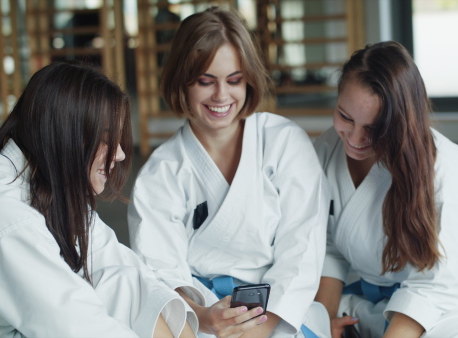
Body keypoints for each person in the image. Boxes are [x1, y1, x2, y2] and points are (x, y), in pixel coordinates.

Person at [128, 7, 330, 338]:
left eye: (234, 80)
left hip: (280, 311)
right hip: (199, 314)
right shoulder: (161, 172)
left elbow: (302, 249)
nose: (221, 96)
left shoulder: (284, 142)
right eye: (206, 82)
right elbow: (158, 274)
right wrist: (204, 318)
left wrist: (263, 328)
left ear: (249, 79)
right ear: (182, 82)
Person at [0, 62, 197, 338]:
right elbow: (77, 326)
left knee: (119, 280)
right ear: (68, 136)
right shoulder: (4, 213)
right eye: (107, 139)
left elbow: (116, 266)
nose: (121, 155)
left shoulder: (47, 178)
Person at [313, 41, 458, 338]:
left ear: (402, 121)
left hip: (451, 307)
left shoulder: (451, 168)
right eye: (345, 117)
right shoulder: (325, 150)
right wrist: (322, 322)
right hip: (365, 304)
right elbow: (328, 248)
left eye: (374, 130)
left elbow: (435, 287)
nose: (355, 139)